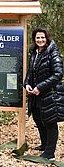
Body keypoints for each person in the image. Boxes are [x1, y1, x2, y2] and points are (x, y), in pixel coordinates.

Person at [24, 27, 64, 160]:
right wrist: (27, 84)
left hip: (49, 94)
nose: (40, 40)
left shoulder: (53, 53)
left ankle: (49, 154)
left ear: (47, 38)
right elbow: (30, 72)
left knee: (50, 122)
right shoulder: (34, 52)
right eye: (37, 38)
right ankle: (45, 144)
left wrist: (40, 87)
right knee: (38, 119)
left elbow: (58, 74)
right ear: (34, 40)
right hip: (36, 95)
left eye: (42, 37)